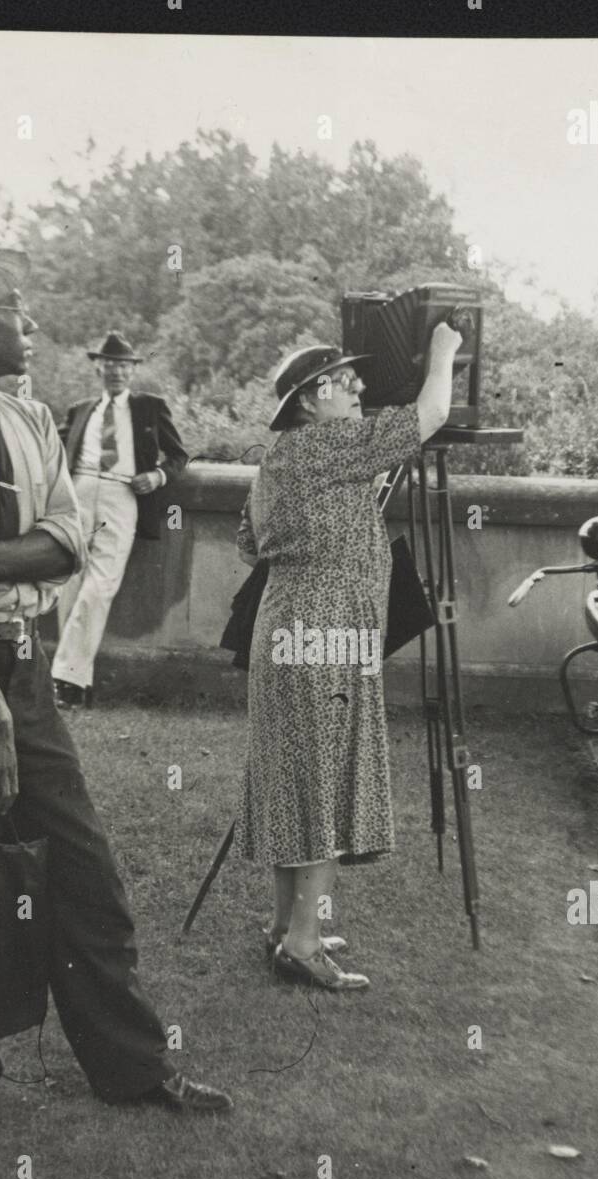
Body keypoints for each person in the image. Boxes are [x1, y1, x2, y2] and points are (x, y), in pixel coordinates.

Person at [0, 246, 231, 1125]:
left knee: (83, 869)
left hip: (19, 666)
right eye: (18, 310)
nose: (32, 325)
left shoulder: (29, 423)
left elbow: (68, 538)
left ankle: (133, 1067)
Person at [235, 322, 462, 990]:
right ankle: (303, 944)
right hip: (323, 636)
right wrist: (445, 351)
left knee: (299, 782)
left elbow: (248, 543)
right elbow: (434, 414)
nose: (359, 385)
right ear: (311, 401)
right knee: (322, 784)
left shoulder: (284, 455)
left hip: (290, 629)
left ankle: (285, 927)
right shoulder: (327, 443)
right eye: (342, 381)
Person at [51, 331, 188, 708]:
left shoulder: (149, 407)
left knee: (99, 588)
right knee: (68, 587)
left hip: (121, 495)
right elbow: (54, 452)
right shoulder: (81, 410)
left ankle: (65, 679)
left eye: (123, 366)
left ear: (133, 370)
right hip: (78, 493)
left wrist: (157, 476)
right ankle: (73, 683)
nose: (116, 372)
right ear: (98, 367)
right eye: (109, 365)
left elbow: (178, 456)